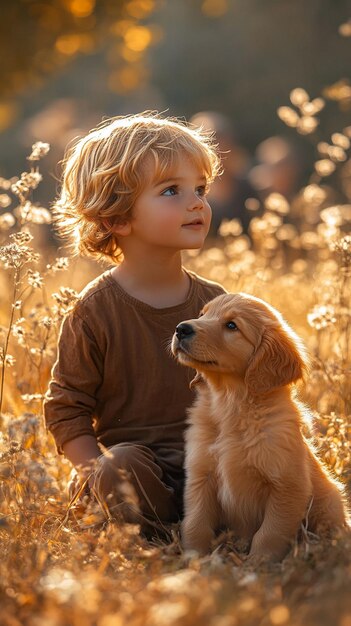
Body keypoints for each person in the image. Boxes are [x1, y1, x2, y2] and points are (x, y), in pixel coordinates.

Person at [43, 111, 227, 536]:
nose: (197, 202)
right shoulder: (95, 310)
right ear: (116, 218)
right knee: (120, 465)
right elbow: (66, 407)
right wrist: (97, 474)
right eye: (171, 191)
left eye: (200, 189)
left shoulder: (215, 303)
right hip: (141, 472)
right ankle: (155, 529)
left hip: (214, 470)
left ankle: (213, 523)